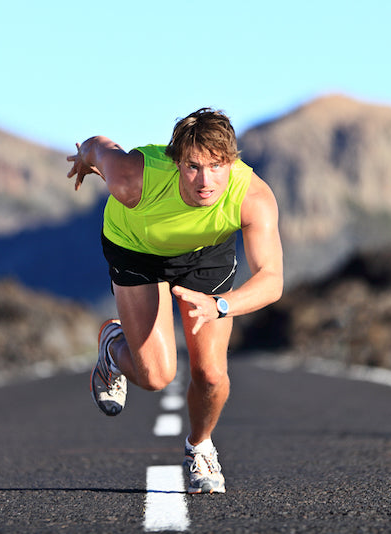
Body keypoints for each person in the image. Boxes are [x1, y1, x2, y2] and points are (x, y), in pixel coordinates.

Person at [66, 108, 283, 494]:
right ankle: (114, 348)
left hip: (206, 254)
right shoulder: (134, 178)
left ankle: (200, 447)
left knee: (212, 374)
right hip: (134, 247)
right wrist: (85, 158)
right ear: (175, 162)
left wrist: (221, 306)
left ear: (231, 163)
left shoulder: (252, 196)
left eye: (216, 167)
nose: (205, 181)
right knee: (155, 376)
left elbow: (271, 280)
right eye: (193, 166)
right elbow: (101, 150)